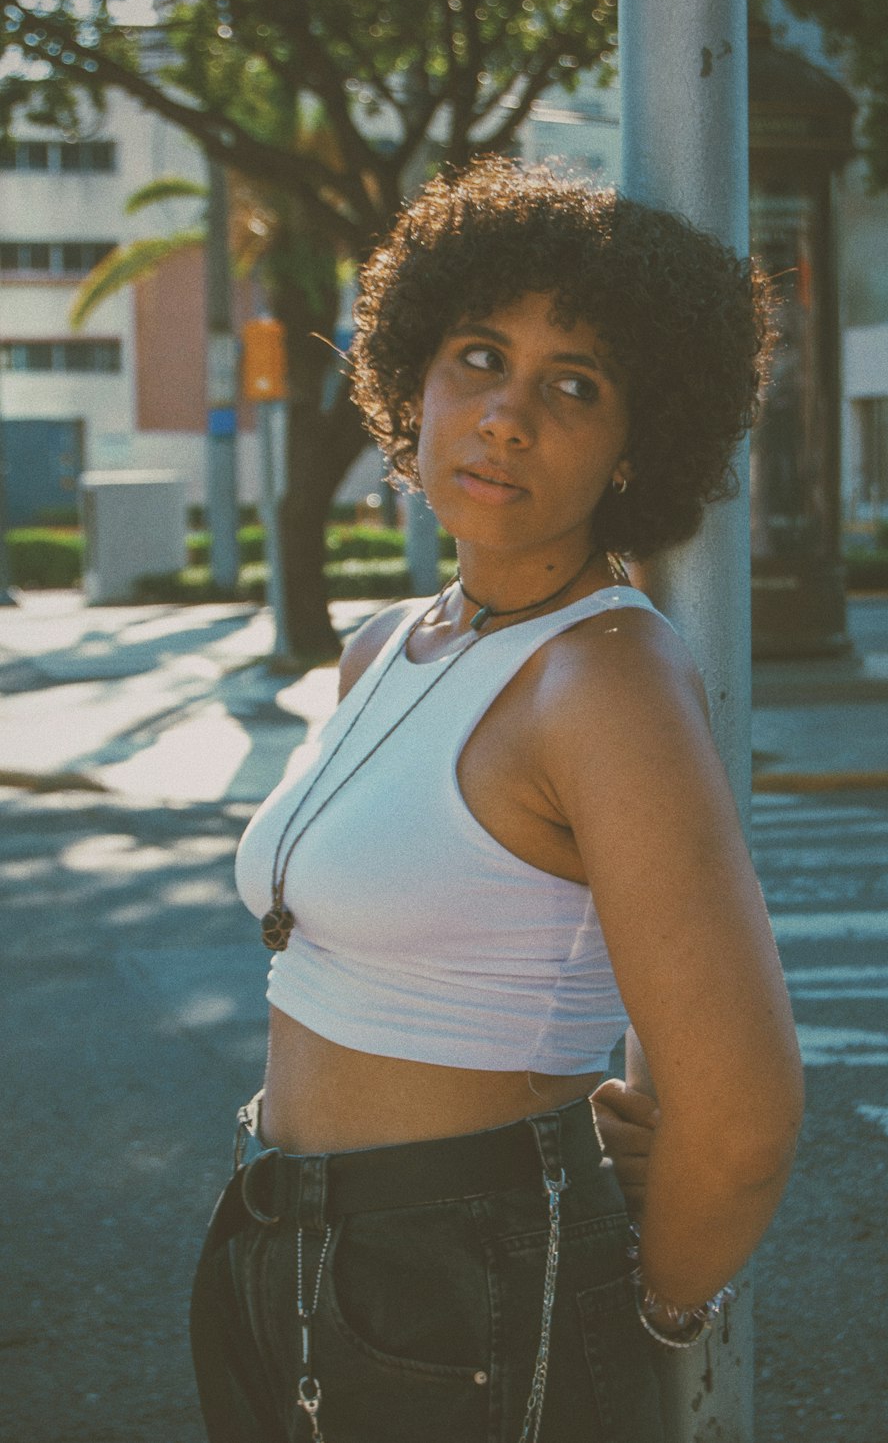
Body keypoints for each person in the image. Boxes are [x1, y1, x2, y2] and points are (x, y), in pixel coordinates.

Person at [190, 157, 803, 1443]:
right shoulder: (387, 645)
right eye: (478, 356)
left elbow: (738, 1119)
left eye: (572, 386)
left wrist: (643, 1322)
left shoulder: (605, 678)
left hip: (472, 1289)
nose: (507, 415)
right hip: (276, 1240)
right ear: (410, 376)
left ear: (640, 442)